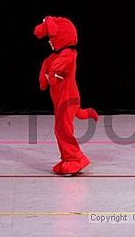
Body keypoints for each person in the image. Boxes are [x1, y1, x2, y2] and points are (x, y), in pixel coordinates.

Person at [34, 15, 98, 175]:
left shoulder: (68, 54)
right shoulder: (55, 56)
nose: (49, 41)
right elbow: (48, 67)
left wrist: (51, 77)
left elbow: (56, 71)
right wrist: (45, 76)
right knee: (61, 129)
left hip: (68, 100)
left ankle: (75, 159)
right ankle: (67, 158)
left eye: (51, 38)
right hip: (63, 100)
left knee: (63, 130)